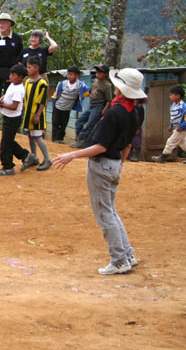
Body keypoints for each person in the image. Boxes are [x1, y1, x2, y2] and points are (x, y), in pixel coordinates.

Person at [52, 68, 146, 275]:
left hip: (102, 164)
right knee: (110, 210)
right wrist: (119, 164)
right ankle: (127, 254)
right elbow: (128, 144)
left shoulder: (115, 112)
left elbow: (101, 146)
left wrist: (71, 156)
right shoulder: (137, 110)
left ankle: (120, 259)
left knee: (105, 214)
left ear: (120, 88)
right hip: (114, 164)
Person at [0, 64, 37, 176]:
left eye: (13, 75)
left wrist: (1, 104)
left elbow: (14, 106)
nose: (11, 76)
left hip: (12, 119)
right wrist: (0, 99)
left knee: (5, 144)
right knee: (8, 141)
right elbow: (7, 95)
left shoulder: (18, 89)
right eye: (11, 74)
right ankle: (26, 156)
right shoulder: (13, 84)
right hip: (8, 117)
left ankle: (8, 167)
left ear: (20, 77)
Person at [20, 56, 52, 171]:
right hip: (28, 114)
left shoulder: (42, 83)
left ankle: (47, 159)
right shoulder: (28, 81)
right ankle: (34, 157)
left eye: (29, 67)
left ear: (36, 68)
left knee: (37, 137)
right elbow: (26, 97)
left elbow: (43, 101)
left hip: (36, 114)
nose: (27, 69)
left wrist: (38, 115)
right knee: (30, 136)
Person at [71, 63, 113, 148]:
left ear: (105, 74)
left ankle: (82, 141)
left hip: (99, 106)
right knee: (79, 122)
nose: (98, 74)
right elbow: (90, 92)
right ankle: (83, 140)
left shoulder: (107, 85)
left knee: (90, 124)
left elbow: (109, 100)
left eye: (100, 73)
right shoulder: (95, 82)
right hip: (91, 105)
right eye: (97, 72)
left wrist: (104, 110)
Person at [50, 66, 91, 144]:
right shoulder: (62, 84)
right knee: (55, 124)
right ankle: (54, 140)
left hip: (67, 109)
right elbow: (56, 94)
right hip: (58, 107)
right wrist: (54, 102)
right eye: (68, 74)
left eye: (71, 74)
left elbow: (88, 91)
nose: (69, 76)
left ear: (77, 76)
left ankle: (60, 139)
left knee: (63, 125)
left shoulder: (80, 85)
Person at [151, 85, 186, 163]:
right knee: (183, 144)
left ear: (178, 96)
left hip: (181, 128)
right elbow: (173, 117)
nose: (170, 96)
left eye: (171, 94)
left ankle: (163, 157)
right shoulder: (173, 105)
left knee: (170, 141)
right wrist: (171, 126)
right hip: (177, 127)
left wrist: (183, 126)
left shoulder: (182, 106)